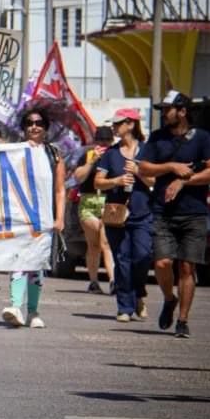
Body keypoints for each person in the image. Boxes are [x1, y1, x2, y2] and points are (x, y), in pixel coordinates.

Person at [137, 91, 210, 338]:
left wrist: (185, 182)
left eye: (168, 109)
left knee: (187, 268)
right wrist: (171, 167)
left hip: (193, 213)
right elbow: (143, 166)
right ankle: (168, 298)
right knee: (162, 262)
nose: (164, 114)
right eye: (162, 110)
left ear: (182, 111)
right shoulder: (157, 138)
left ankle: (183, 321)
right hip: (162, 211)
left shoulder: (203, 139)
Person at [2, 107, 66, 329]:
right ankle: (15, 307)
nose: (34, 126)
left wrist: (60, 218)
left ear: (46, 128)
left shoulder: (54, 154)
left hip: (44, 219)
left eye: (38, 123)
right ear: (23, 128)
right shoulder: (14, 151)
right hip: (19, 217)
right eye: (29, 123)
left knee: (36, 264)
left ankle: (33, 312)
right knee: (19, 260)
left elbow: (60, 189)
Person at [94, 108, 153, 322]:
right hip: (116, 214)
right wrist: (116, 181)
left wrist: (139, 172)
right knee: (122, 260)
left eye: (118, 124)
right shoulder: (110, 154)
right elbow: (97, 182)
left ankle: (138, 293)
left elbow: (155, 182)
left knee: (143, 256)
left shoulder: (148, 151)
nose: (114, 127)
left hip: (142, 213)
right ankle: (125, 307)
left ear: (130, 124)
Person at [72, 126, 116, 294]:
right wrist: (92, 162)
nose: (104, 144)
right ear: (95, 142)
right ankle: (93, 281)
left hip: (108, 202)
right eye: (100, 141)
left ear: (112, 142)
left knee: (106, 243)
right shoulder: (87, 155)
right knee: (94, 245)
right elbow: (78, 177)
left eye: (107, 141)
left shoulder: (115, 156)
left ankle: (113, 281)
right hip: (88, 201)